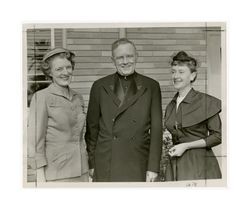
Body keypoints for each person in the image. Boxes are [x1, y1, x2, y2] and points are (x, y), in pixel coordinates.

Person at [85, 38, 162, 182]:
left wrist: (153, 167)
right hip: (106, 160)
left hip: (137, 160)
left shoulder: (151, 86)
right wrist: (92, 163)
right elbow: (92, 130)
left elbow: (157, 129)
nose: (125, 61)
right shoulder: (99, 86)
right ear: (112, 60)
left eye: (129, 56)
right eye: (120, 57)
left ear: (137, 56)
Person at [28, 48, 89, 182]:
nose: (65, 72)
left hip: (82, 171)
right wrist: (40, 176)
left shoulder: (78, 97)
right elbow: (36, 140)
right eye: (59, 69)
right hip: (56, 173)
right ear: (50, 72)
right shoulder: (41, 97)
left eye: (68, 67)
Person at [163, 51, 222, 181]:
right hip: (175, 164)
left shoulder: (206, 102)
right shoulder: (171, 106)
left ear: (192, 75)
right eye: (173, 72)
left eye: (181, 72)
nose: (176, 76)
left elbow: (217, 137)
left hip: (199, 164)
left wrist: (186, 145)